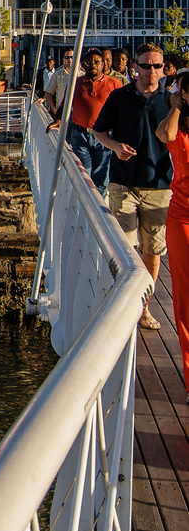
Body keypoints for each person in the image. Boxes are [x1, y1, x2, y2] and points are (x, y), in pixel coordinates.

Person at [93, 42, 172, 330]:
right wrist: (115, 146)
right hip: (123, 183)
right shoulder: (120, 97)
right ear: (134, 67)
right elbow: (98, 131)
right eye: (145, 65)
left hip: (159, 186)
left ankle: (144, 308)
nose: (151, 70)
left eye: (156, 65)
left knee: (152, 251)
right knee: (126, 250)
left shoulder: (171, 102)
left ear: (163, 68)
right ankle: (123, 308)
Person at [154, 68, 189, 403]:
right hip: (183, 217)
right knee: (184, 295)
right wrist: (177, 102)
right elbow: (165, 133)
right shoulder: (179, 127)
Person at [47, 47, 122, 197]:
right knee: (83, 173)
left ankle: (97, 209)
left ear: (103, 64)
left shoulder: (114, 84)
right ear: (82, 64)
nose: (93, 65)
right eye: (88, 62)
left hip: (105, 136)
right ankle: (82, 206)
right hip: (81, 134)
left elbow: (123, 110)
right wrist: (58, 120)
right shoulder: (76, 83)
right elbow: (65, 105)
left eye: (96, 62)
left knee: (101, 176)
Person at [44, 48, 83, 117]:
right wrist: (54, 110)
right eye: (67, 57)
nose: (70, 60)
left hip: (79, 114)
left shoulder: (82, 75)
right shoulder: (57, 74)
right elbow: (48, 94)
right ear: (63, 59)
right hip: (62, 115)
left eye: (72, 57)